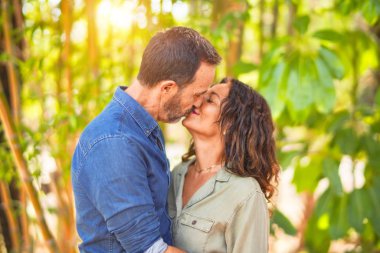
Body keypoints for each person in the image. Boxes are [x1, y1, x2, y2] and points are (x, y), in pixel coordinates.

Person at [71, 27, 221, 252]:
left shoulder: (141, 128)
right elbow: (150, 249)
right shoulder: (115, 142)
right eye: (197, 93)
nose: (199, 103)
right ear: (167, 88)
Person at [168, 78, 280, 252]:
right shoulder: (177, 174)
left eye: (210, 100)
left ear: (230, 123)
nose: (197, 101)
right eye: (201, 95)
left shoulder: (246, 194)